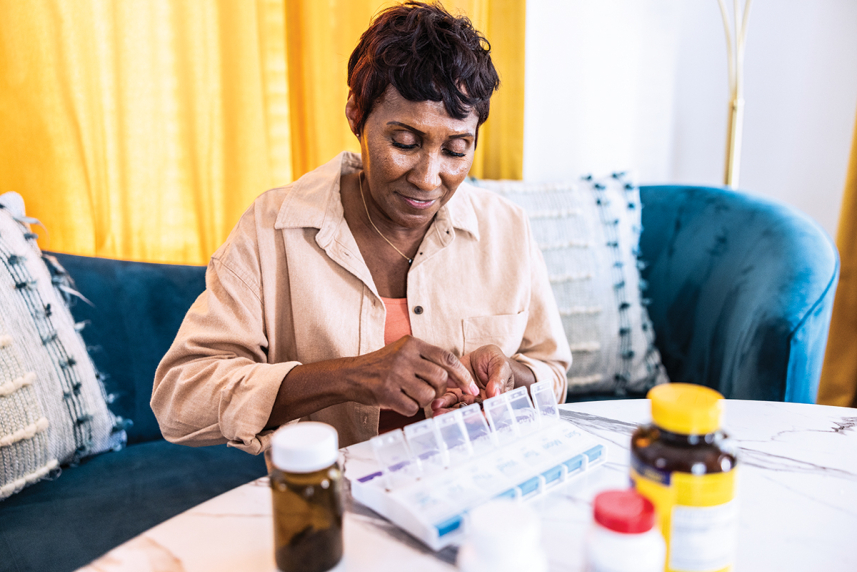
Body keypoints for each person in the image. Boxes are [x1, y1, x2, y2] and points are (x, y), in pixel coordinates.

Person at [151, 1, 570, 454]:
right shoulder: (273, 229)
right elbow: (180, 399)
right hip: (332, 503)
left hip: (479, 492)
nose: (429, 178)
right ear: (355, 114)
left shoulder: (506, 229)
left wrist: (511, 377)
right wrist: (349, 376)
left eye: (455, 149)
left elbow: (550, 371)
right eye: (404, 142)